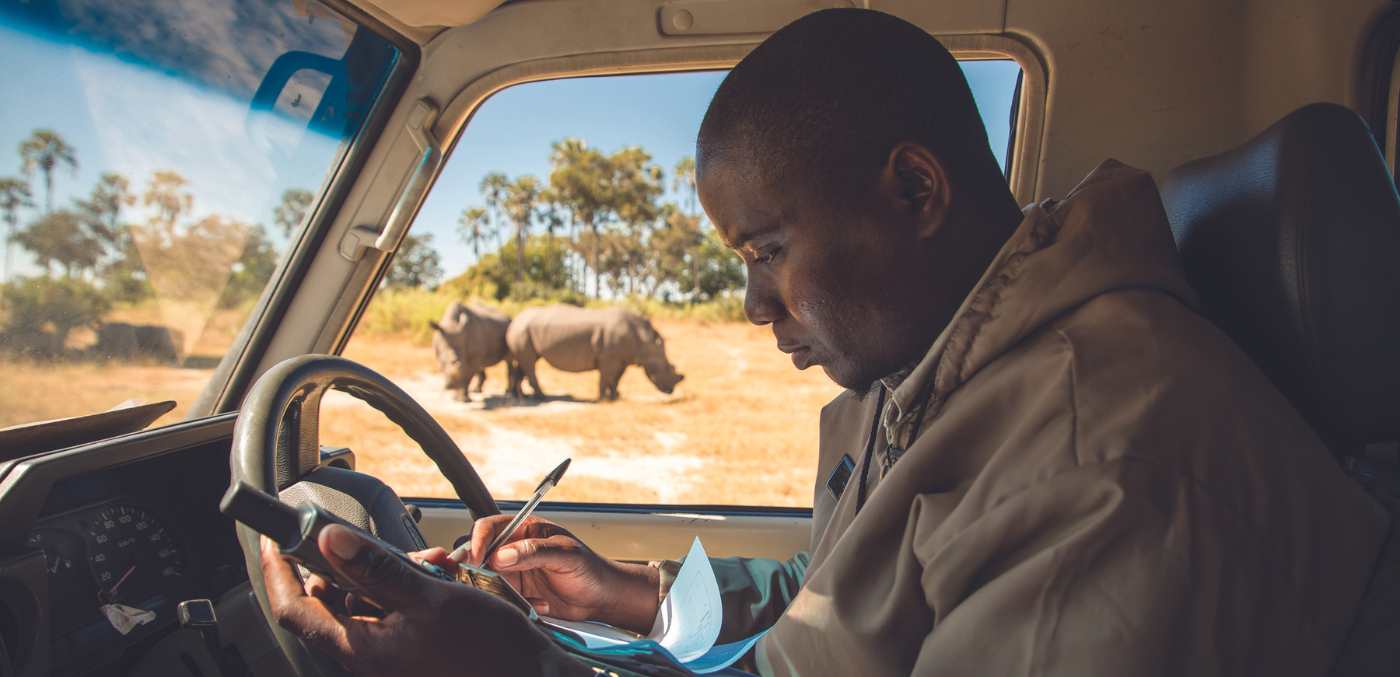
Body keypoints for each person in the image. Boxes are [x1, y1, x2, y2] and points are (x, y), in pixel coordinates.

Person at [261, 8, 1389, 676]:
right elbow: (841, 591)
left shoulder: (1110, 469)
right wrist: (636, 597)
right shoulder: (949, 374)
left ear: (913, 189)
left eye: (761, 252)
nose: (754, 306)